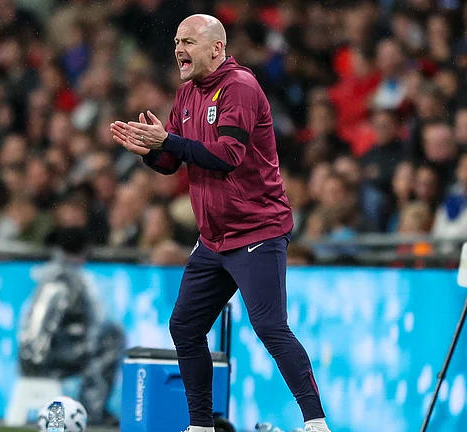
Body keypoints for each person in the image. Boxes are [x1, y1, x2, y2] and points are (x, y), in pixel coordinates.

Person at [110, 14, 331, 432]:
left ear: (217, 48)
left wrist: (167, 142)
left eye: (189, 41)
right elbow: (173, 160)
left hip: (256, 230)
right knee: (185, 326)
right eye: (177, 40)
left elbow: (227, 155)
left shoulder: (240, 88)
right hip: (214, 237)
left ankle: (316, 422)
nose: (179, 48)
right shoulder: (187, 94)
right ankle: (200, 426)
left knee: (269, 326)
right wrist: (147, 149)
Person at [18, 226, 125, 426]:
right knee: (111, 338)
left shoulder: (56, 275)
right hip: (43, 358)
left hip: (39, 355)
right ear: (84, 251)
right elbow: (38, 328)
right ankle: (93, 409)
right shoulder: (62, 280)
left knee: (106, 336)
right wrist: (35, 361)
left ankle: (85, 410)